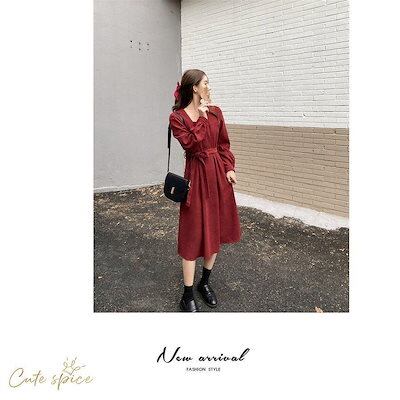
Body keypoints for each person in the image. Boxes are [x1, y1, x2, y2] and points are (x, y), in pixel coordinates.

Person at [169, 69, 241, 312]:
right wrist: (200, 117)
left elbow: (223, 144)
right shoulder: (177, 117)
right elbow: (190, 144)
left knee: (215, 229)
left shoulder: (216, 112)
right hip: (196, 177)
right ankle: (187, 294)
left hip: (218, 176)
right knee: (192, 234)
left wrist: (229, 168)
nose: (209, 87)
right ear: (194, 88)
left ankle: (205, 283)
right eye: (206, 83)